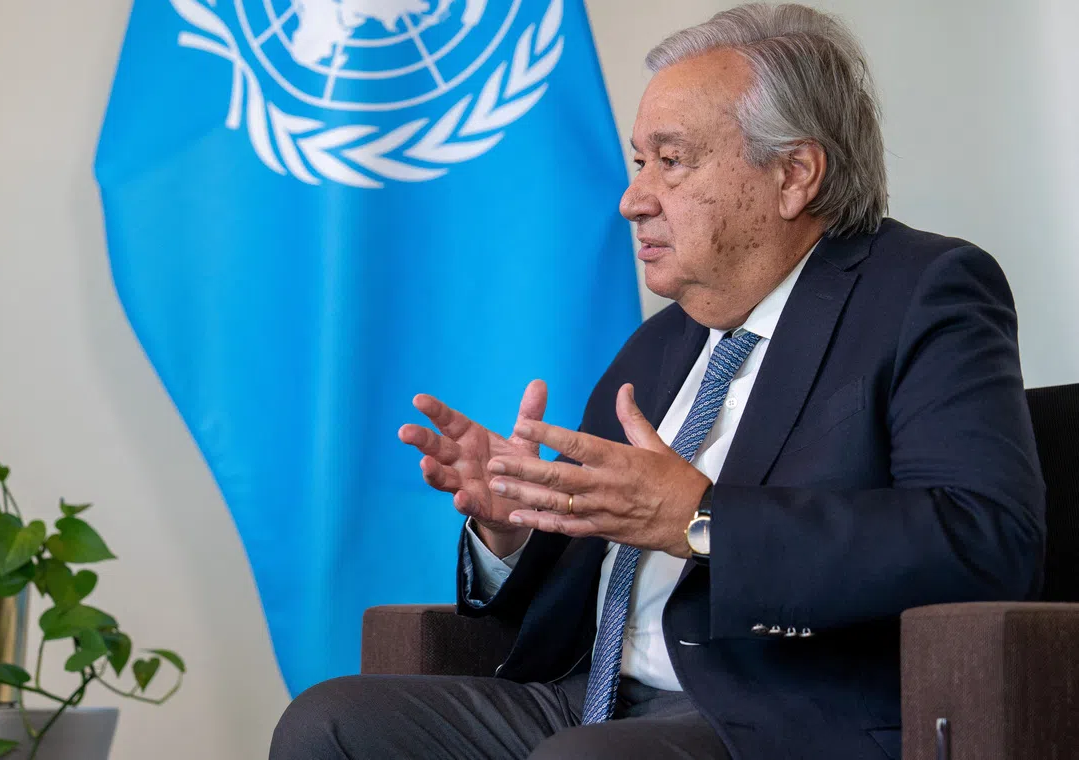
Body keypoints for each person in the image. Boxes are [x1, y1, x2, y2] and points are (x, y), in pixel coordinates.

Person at [270, 4, 1046, 759]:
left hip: (767, 710)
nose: (633, 198)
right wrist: (512, 529)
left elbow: (985, 539)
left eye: (670, 161)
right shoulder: (658, 344)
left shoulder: (921, 293)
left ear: (794, 175)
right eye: (640, 162)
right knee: (330, 723)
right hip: (586, 696)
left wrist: (702, 519)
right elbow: (591, 563)